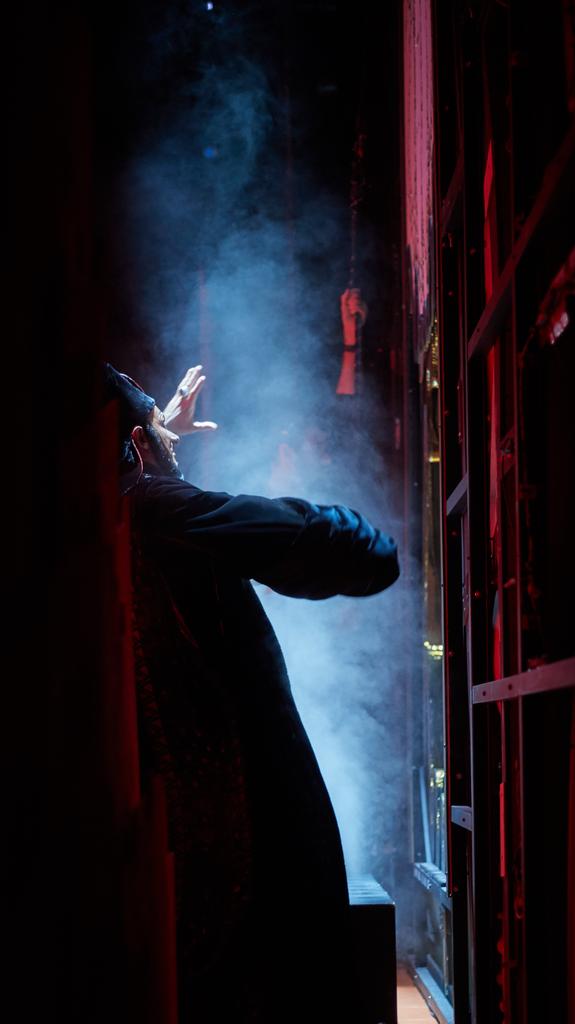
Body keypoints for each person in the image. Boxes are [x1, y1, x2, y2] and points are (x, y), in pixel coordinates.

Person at [103, 360, 400, 1023]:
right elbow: (350, 552)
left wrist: (151, 443)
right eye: (153, 425)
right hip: (242, 835)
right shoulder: (153, 508)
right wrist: (156, 469)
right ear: (133, 442)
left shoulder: (106, 513)